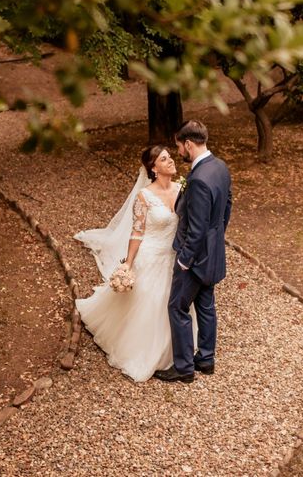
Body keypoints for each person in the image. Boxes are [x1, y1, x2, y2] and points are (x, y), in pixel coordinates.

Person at [74, 145, 196, 382]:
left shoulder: (183, 187)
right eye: (164, 158)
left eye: (170, 156)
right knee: (150, 303)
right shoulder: (144, 197)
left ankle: (180, 351)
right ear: (153, 168)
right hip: (151, 256)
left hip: (175, 256)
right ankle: (147, 351)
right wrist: (128, 264)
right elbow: (137, 232)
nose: (171, 160)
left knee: (175, 302)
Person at [154, 120, 232, 383]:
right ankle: (206, 359)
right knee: (206, 305)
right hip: (214, 253)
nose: (179, 153)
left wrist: (185, 260)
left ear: (188, 143)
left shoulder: (198, 178)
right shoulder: (219, 166)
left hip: (196, 259)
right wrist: (217, 236)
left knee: (177, 307)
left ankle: (185, 367)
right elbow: (227, 206)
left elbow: (196, 229)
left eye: (179, 147)